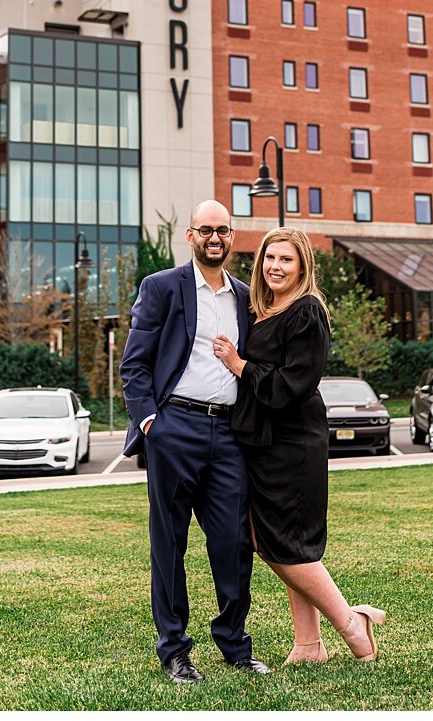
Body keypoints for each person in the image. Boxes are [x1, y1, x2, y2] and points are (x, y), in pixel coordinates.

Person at [211, 228, 386, 661]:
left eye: (286, 260)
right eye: (270, 258)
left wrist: (240, 365)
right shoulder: (262, 310)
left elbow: (294, 384)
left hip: (292, 442)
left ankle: (350, 623)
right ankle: (308, 644)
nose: (276, 266)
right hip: (263, 443)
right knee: (280, 540)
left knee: (283, 544)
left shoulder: (307, 312)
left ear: (303, 265)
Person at [120, 200, 270, 684]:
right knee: (169, 544)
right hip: (173, 428)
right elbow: (135, 364)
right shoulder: (162, 287)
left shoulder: (247, 297)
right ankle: (175, 651)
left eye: (223, 231)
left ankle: (234, 645)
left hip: (228, 433)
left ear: (232, 237)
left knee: (232, 542)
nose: (215, 238)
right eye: (206, 230)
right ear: (190, 236)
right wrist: (149, 423)